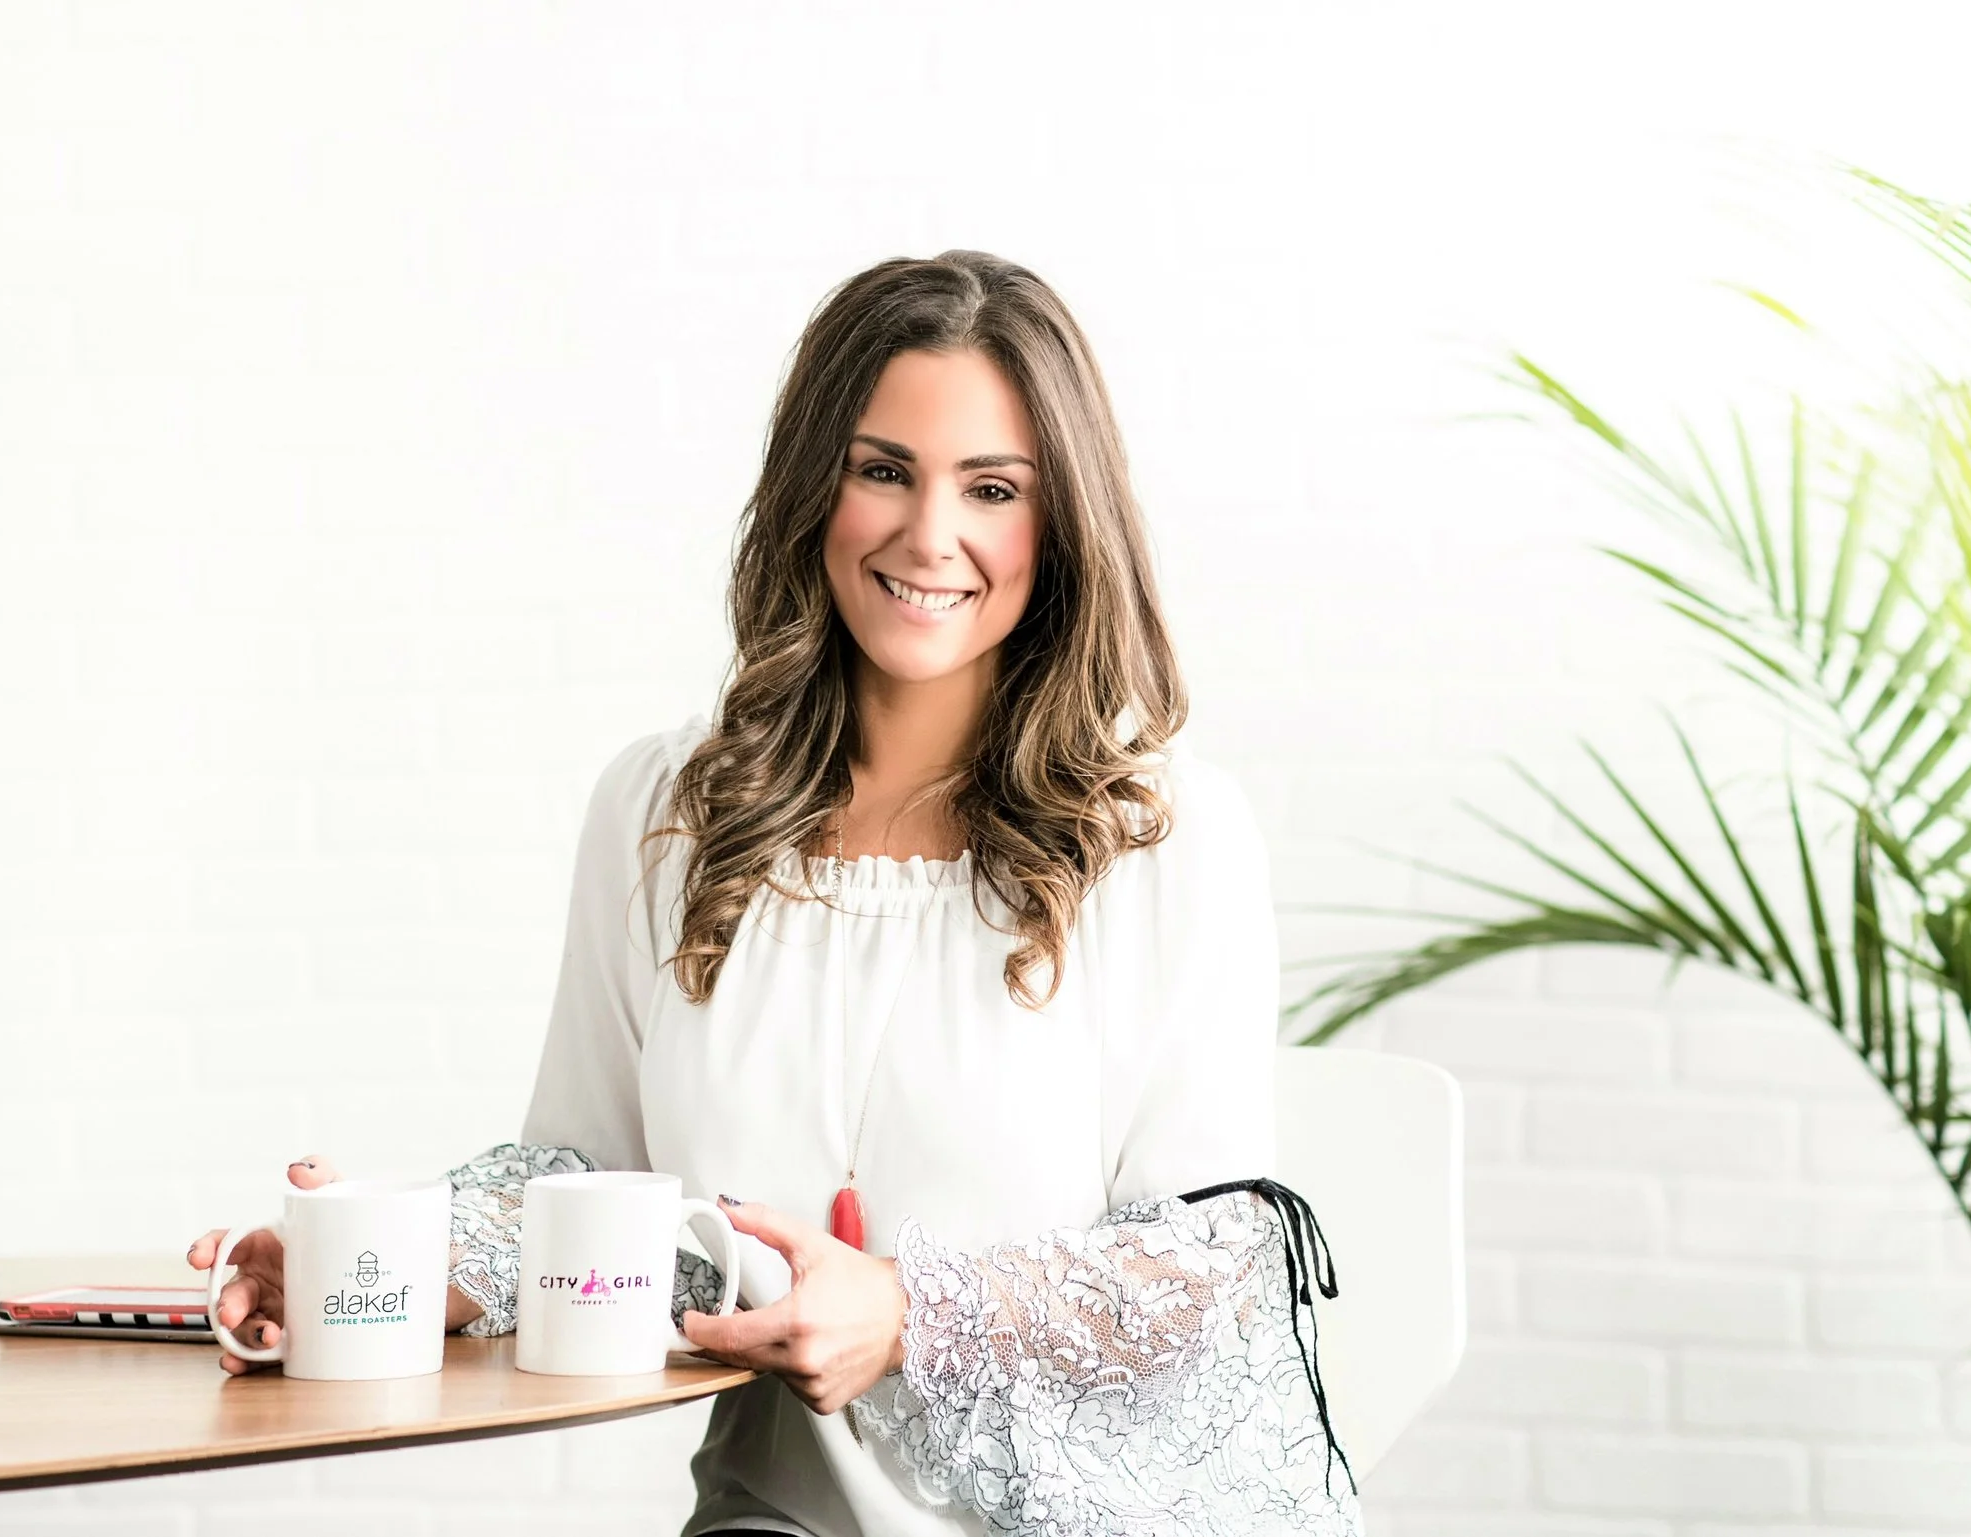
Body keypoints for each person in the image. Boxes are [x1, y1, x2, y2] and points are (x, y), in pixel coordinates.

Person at [187, 251, 1365, 1537]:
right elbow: (586, 1179)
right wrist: (379, 1269)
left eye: (991, 489)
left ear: (1062, 521)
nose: (930, 536)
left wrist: (906, 1310)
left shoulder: (1164, 836)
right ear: (815, 485)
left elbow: (1209, 1267)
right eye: (882, 471)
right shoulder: (666, 813)